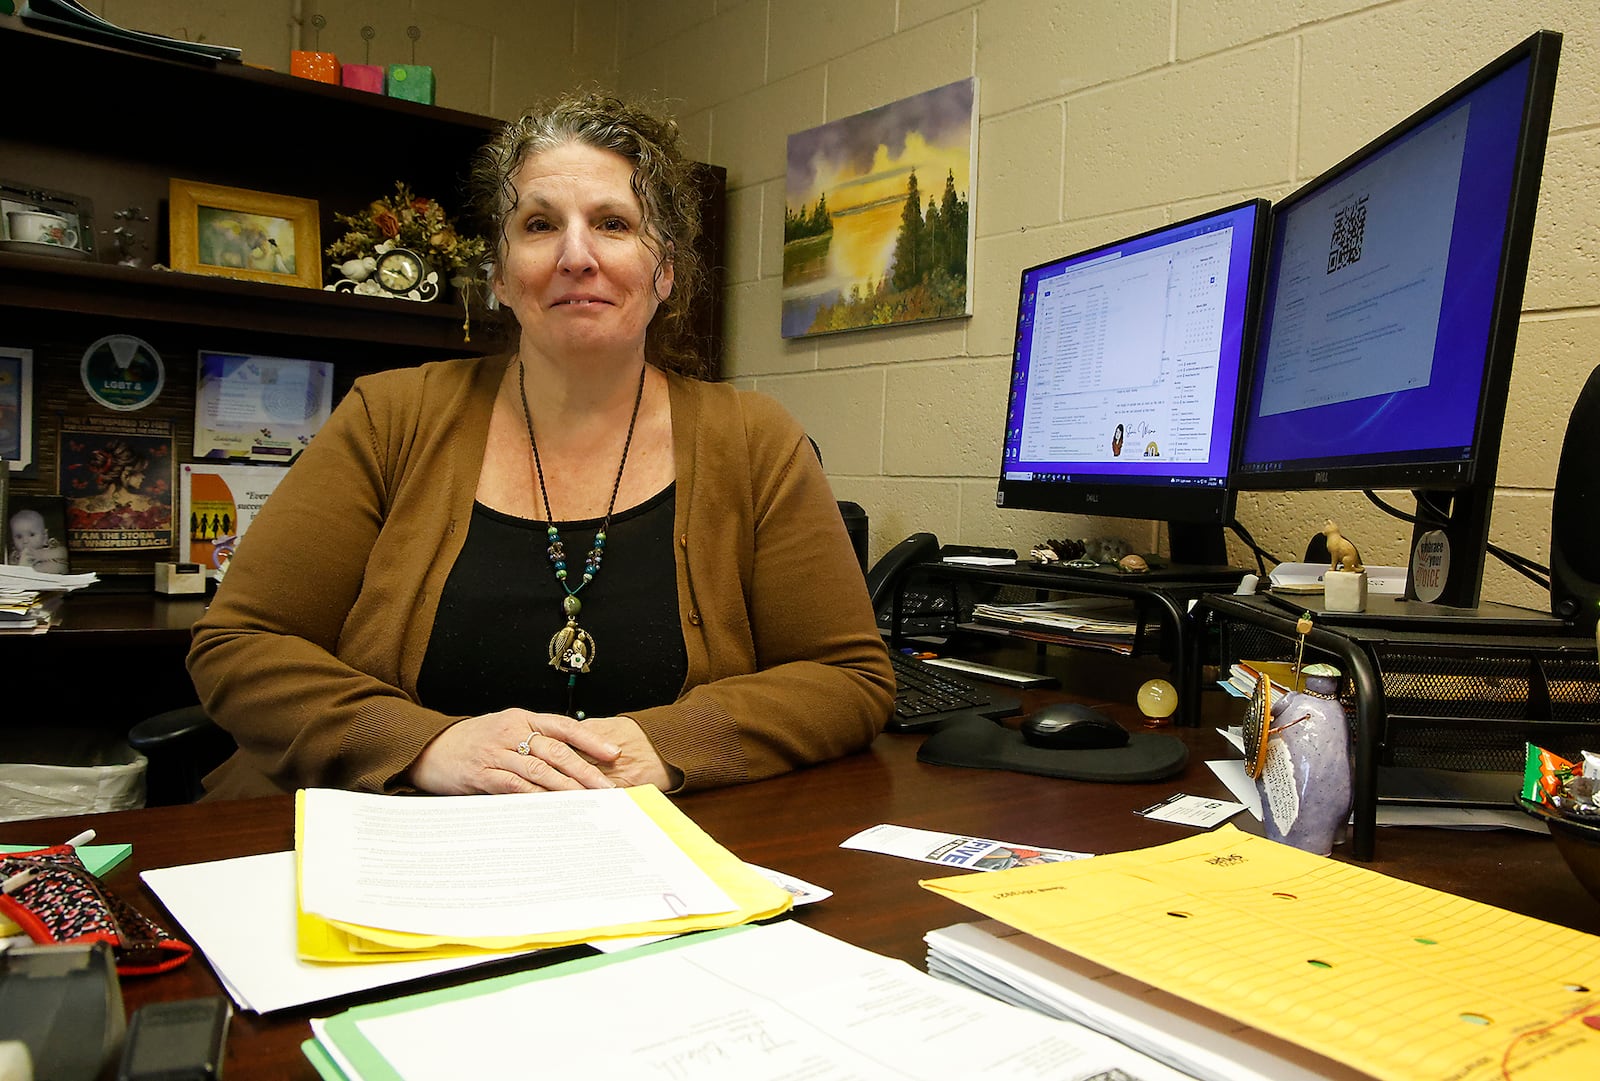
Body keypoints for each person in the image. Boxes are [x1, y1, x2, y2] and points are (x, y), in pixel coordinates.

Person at [187, 92, 894, 800]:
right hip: (395, 846)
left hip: (653, 862)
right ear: (498, 273)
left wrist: (668, 744)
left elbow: (850, 678)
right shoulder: (389, 418)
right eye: (539, 224)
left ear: (666, 270)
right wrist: (424, 744)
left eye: (614, 223)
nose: (575, 255)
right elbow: (240, 646)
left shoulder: (754, 440)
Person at [7, 508, 69, 574]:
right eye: (19, 537)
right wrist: (22, 566)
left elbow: (64, 553)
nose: (25, 541)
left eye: (32, 534)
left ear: (44, 537)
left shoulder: (52, 545)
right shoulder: (15, 557)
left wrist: (42, 555)